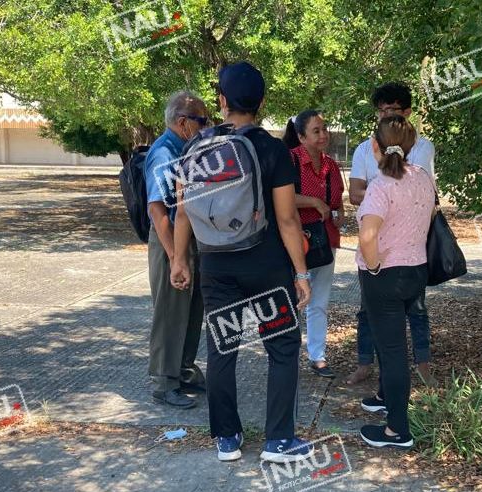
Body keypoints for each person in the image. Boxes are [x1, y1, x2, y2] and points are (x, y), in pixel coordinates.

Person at [170, 61, 315, 463]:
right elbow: (287, 220)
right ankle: (278, 441)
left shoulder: (193, 147)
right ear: (261, 102)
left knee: (222, 347)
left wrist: (180, 259)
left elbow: (183, 212)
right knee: (283, 346)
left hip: (215, 264)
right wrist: (301, 274)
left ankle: (227, 439)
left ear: (221, 101)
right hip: (265, 265)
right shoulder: (273, 150)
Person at [347, 82, 435, 386]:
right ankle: (366, 364)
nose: (385, 115)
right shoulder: (364, 150)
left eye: (392, 110)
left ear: (406, 113)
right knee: (368, 313)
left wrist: (379, 194)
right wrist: (387, 192)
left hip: (404, 250)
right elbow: (354, 193)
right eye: (381, 110)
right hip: (387, 254)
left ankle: (418, 369)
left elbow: (421, 196)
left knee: (415, 312)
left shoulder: (423, 147)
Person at [355, 115, 435, 449]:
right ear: (412, 144)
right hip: (415, 270)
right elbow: (429, 215)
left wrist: (373, 268)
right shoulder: (423, 180)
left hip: (384, 276)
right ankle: (386, 397)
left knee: (391, 349)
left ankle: (397, 430)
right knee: (394, 339)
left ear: (375, 145)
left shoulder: (381, 185)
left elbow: (368, 235)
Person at [144, 91, 210, 409]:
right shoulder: (164, 153)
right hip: (170, 241)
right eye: (203, 121)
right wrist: (175, 257)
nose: (207, 126)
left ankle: (183, 369)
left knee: (191, 310)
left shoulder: (185, 149)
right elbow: (158, 211)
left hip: (188, 240)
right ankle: (163, 381)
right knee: (170, 314)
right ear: (183, 122)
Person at [282, 110, 345, 379]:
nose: (323, 135)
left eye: (324, 129)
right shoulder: (290, 160)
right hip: (296, 241)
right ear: (300, 136)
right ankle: (286, 355)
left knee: (319, 301)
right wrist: (313, 202)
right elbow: (282, 198)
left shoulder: (331, 165)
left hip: (325, 240)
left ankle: (317, 356)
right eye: (316, 131)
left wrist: (339, 213)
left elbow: (338, 200)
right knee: (293, 298)